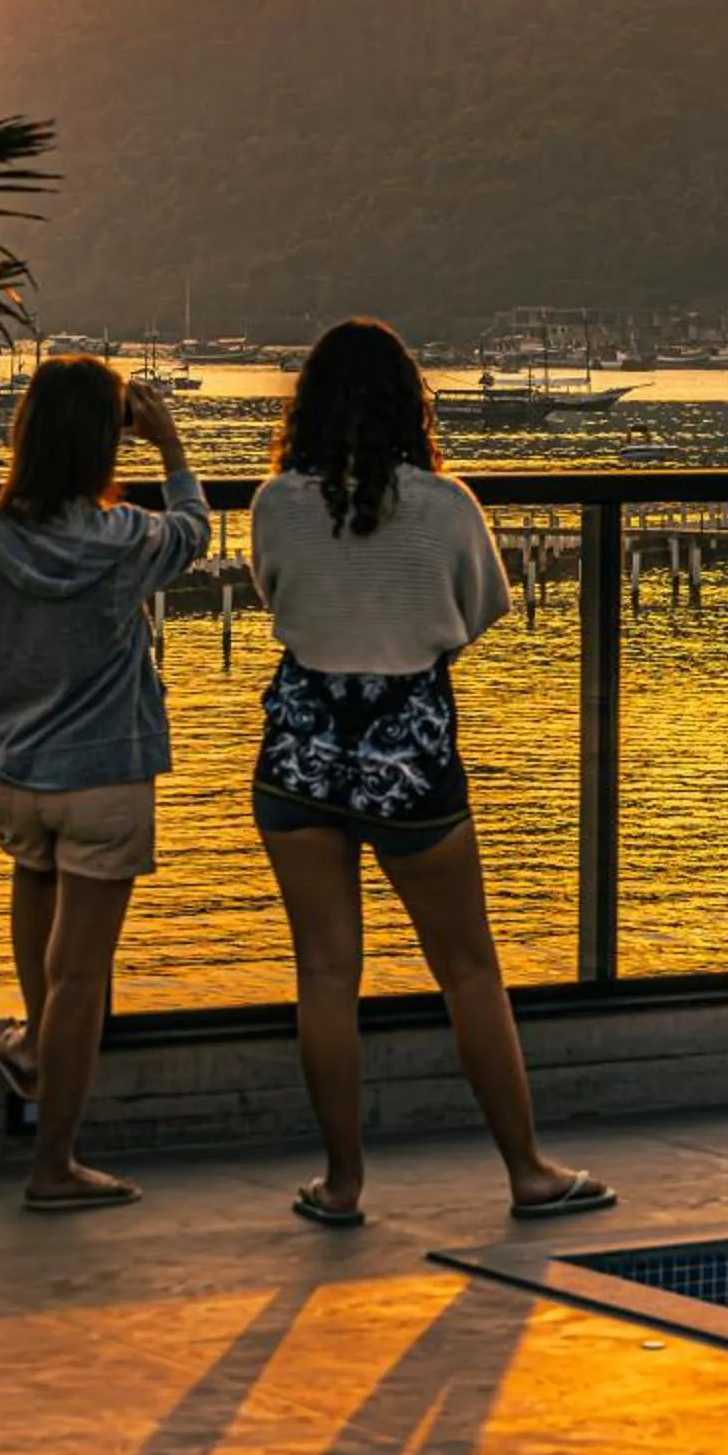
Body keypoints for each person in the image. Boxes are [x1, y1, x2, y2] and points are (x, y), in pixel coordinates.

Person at [248, 318, 613, 1227]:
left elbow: (273, 598)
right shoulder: (448, 505)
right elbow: (483, 607)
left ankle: (340, 1184)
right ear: (413, 404)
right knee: (468, 969)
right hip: (407, 739)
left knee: (326, 974)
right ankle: (526, 1171)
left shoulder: (276, 501)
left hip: (300, 738)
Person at [0, 354, 208, 1211]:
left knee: (34, 884)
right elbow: (194, 533)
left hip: (12, 772)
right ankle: (55, 1165)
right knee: (83, 976)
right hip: (103, 773)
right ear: (105, 444)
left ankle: (30, 1046)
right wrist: (169, 447)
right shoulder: (124, 539)